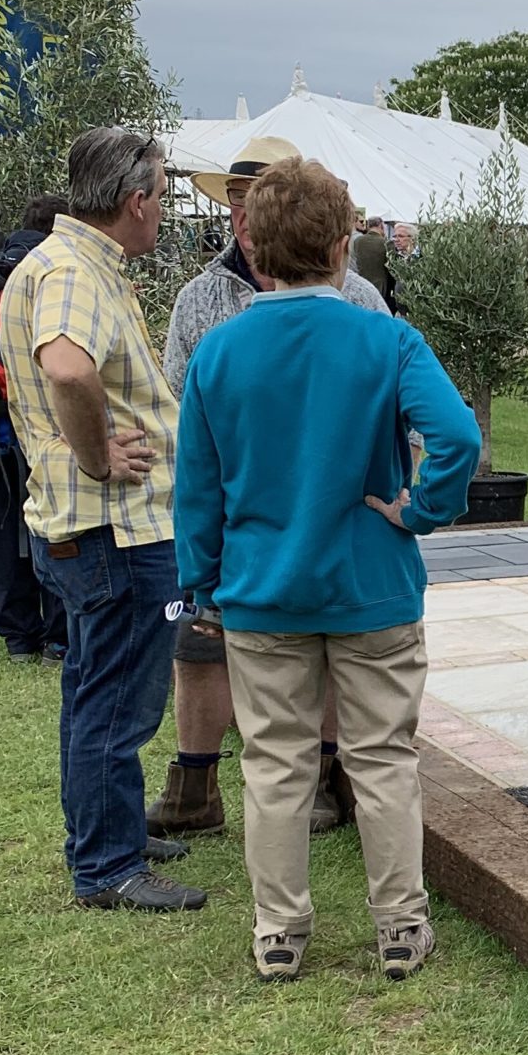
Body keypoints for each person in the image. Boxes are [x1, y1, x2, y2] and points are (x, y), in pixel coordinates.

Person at [174, 157, 481, 982]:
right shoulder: (387, 338)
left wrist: (202, 581)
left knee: (275, 766)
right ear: (345, 244)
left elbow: (196, 486)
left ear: (255, 244)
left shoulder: (217, 352)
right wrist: (420, 511)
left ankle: (279, 933)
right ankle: (401, 928)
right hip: (372, 586)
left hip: (260, 591)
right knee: (381, 758)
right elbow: (457, 438)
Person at [150, 137, 393, 839]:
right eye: (234, 200)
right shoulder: (201, 297)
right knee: (199, 643)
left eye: (255, 200)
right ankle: (195, 784)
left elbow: (392, 408)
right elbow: (180, 403)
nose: (243, 214)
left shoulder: (359, 297)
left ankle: (321, 775)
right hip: (230, 505)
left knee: (325, 644)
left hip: (328, 508)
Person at [2, 127, 205, 911]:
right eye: (163, 195)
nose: (164, 211)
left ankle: (106, 833)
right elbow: (66, 367)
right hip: (117, 527)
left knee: (94, 687)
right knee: (119, 699)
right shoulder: (74, 272)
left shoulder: (59, 262)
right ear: (136, 200)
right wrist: (96, 457)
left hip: (90, 526)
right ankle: (108, 865)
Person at [0, 193, 70, 662]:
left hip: (2, 429)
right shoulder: (51, 275)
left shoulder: (3, 273)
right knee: (56, 525)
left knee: (6, 533)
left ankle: (19, 636)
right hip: (44, 426)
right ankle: (59, 637)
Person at [348, 213, 394, 302]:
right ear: (381, 226)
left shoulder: (358, 241)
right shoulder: (386, 243)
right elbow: (392, 266)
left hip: (361, 283)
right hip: (381, 286)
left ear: (368, 226)